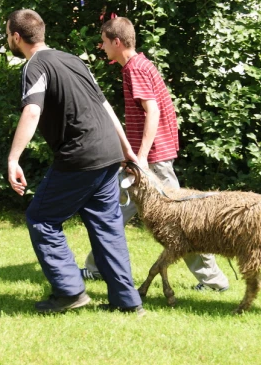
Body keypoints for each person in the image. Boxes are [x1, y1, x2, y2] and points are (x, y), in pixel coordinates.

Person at [5, 9, 144, 315]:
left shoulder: (35, 65)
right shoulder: (73, 60)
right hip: (108, 151)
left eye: (7, 35)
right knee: (108, 227)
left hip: (81, 155)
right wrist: (126, 150)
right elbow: (106, 107)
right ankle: (128, 302)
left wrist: (14, 158)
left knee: (41, 218)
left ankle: (69, 291)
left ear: (17, 37)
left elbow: (32, 111)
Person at [81, 16, 230, 292]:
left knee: (181, 219)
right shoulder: (138, 65)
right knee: (111, 210)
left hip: (152, 162)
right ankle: (96, 267)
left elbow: (154, 111)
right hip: (148, 160)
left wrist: (141, 159)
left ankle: (214, 281)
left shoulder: (135, 69)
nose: (101, 47)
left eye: (103, 42)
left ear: (117, 42)